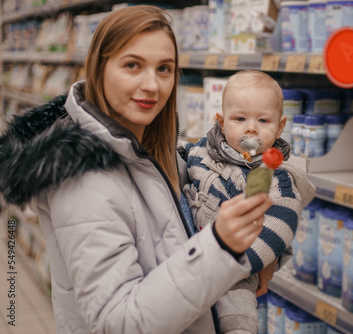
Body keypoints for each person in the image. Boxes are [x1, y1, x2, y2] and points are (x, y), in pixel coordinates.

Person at [0, 6, 278, 334]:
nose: (152, 85)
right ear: (97, 68)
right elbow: (118, 323)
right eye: (133, 65)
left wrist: (250, 254)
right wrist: (221, 248)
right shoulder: (83, 180)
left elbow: (180, 241)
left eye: (164, 69)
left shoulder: (153, 151)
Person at [181, 71, 316, 333]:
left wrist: (238, 267)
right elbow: (175, 154)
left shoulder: (276, 179)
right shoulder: (201, 150)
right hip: (187, 257)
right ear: (221, 122)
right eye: (240, 118)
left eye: (263, 120)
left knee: (238, 317)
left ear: (280, 126)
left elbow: (280, 225)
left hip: (235, 274)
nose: (251, 127)